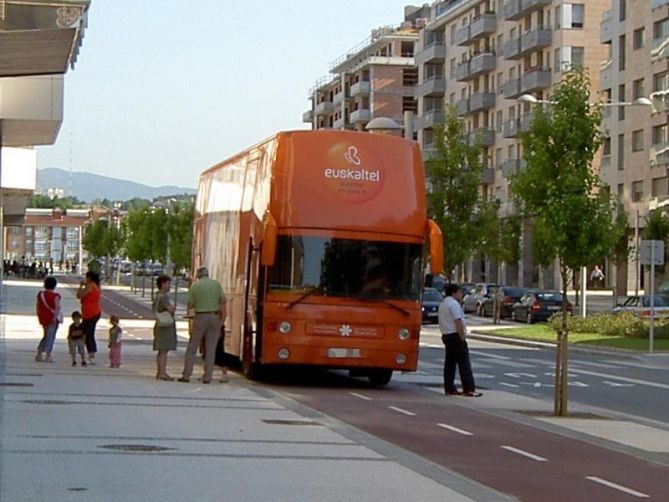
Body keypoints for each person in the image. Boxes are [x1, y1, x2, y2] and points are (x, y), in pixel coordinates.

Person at [179, 267, 227, 384]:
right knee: (211, 349)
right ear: (208, 274)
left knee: (192, 347)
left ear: (198, 276)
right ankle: (207, 377)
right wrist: (220, 321)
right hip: (214, 317)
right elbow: (223, 301)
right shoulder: (216, 284)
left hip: (200, 317)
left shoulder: (195, 286)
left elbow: (190, 305)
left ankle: (186, 374)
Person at [438, 283, 481, 397]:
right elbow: (458, 321)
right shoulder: (454, 304)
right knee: (464, 363)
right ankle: (468, 388)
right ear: (454, 293)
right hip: (455, 335)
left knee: (450, 363)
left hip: (446, 335)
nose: (461, 295)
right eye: (460, 292)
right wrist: (462, 336)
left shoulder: (443, 304)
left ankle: (449, 387)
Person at [153, 275, 178, 380]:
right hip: (165, 326)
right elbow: (171, 310)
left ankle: (160, 372)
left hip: (159, 324)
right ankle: (162, 372)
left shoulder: (157, 295)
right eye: (168, 283)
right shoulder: (164, 297)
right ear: (163, 284)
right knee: (164, 350)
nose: (169, 286)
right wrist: (173, 308)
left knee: (161, 350)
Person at [35, 276, 62, 363]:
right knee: (50, 336)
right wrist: (54, 318)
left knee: (46, 335)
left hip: (43, 317)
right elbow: (57, 307)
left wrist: (39, 315)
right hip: (52, 318)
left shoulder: (41, 294)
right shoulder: (56, 296)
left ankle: (39, 353)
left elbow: (38, 305)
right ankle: (48, 354)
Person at [77, 271, 102, 365]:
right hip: (91, 312)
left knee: (88, 334)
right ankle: (89, 353)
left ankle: (91, 355)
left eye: (86, 277)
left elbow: (80, 295)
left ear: (89, 278)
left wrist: (81, 286)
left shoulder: (90, 286)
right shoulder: (96, 286)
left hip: (90, 313)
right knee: (88, 333)